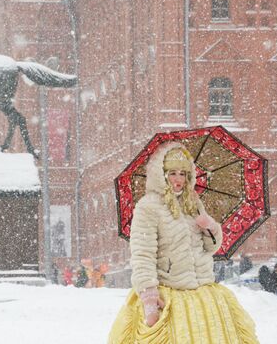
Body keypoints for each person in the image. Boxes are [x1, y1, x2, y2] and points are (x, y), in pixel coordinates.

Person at [108, 142, 258, 343]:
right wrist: (149, 296)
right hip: (169, 294)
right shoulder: (148, 207)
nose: (178, 179)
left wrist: (210, 227)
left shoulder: (193, 202)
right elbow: (143, 254)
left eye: (183, 174)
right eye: (172, 173)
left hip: (203, 290)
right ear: (161, 175)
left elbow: (211, 247)